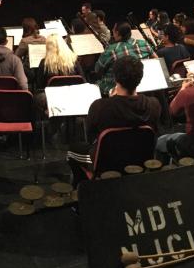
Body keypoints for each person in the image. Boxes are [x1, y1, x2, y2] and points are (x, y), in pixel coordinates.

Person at [67, 56, 161, 185]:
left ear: (115, 78)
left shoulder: (100, 106)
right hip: (140, 161)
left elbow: (90, 137)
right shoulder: (154, 105)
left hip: (105, 164)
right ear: (140, 79)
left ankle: (84, 191)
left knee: (72, 151)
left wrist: (112, 100)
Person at [94, 22, 155, 95]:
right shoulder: (144, 43)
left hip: (116, 91)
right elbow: (156, 60)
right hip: (142, 85)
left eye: (113, 31)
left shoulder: (111, 49)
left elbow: (97, 70)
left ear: (117, 33)